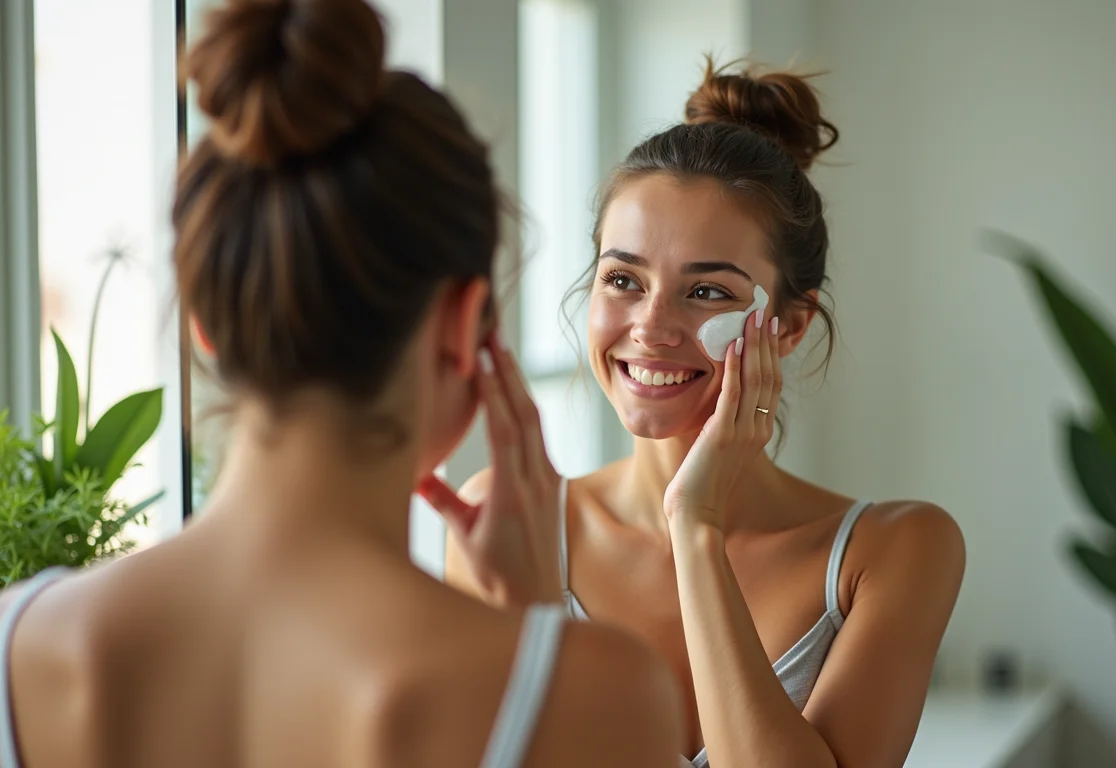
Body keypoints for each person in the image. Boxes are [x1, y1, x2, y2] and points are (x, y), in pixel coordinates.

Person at [0, 1, 683, 766]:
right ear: (463, 328)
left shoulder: (18, 647)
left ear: (206, 323)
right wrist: (535, 635)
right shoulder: (597, 693)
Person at [445, 59, 965, 767]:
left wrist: (695, 528)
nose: (652, 328)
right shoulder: (507, 526)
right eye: (623, 280)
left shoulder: (894, 551)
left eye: (709, 293)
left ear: (788, 324)